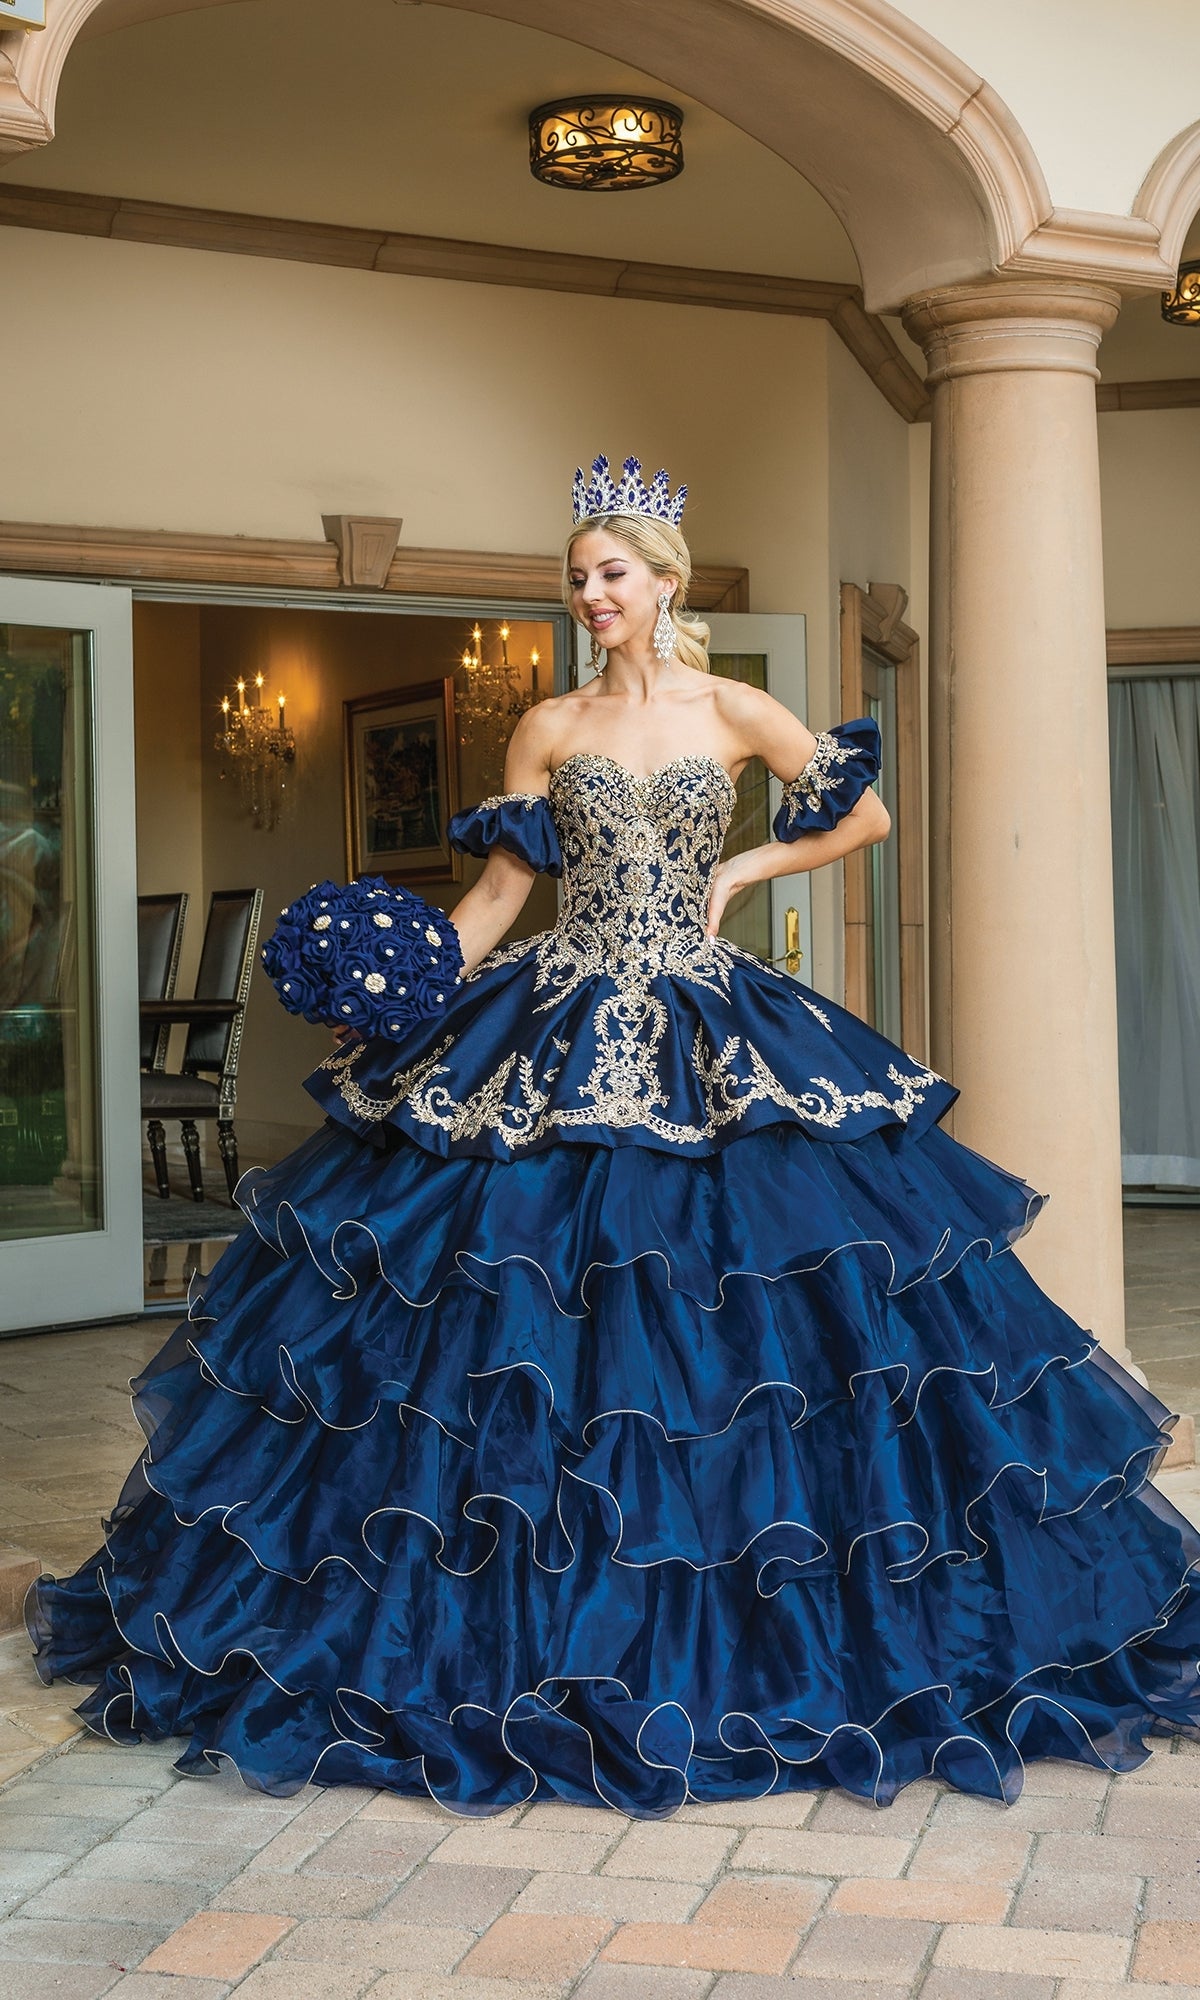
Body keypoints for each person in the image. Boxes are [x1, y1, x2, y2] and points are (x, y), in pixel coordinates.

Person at [28, 455, 1200, 1816]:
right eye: (578, 576)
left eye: (612, 573)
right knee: (520, 1307)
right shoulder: (546, 725)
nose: (591, 594)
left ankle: (773, 1624)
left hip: (708, 1018)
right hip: (559, 1008)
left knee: (756, 1311)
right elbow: (495, 899)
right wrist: (402, 1000)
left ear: (665, 580)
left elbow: (864, 813)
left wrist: (747, 865)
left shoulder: (733, 706)